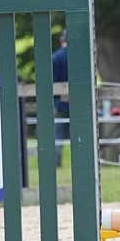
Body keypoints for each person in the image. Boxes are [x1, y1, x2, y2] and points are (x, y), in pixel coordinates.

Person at [52, 27, 69, 167]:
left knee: (57, 135)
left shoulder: (55, 57)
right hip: (78, 104)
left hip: (59, 102)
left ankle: (56, 162)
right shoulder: (80, 57)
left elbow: (52, 82)